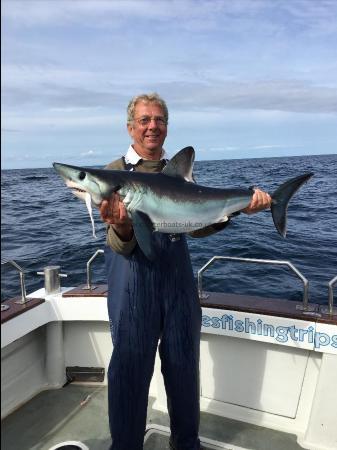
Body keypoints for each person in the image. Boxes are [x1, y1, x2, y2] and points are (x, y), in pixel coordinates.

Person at [100, 93, 271, 450]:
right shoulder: (114, 172)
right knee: (129, 375)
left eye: (160, 120)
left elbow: (196, 226)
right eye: (145, 120)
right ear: (130, 126)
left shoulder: (178, 174)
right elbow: (116, 244)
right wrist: (123, 227)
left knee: (183, 371)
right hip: (132, 284)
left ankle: (187, 444)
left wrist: (237, 209)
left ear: (167, 126)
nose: (153, 126)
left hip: (178, 285)